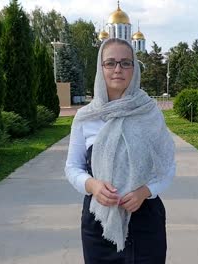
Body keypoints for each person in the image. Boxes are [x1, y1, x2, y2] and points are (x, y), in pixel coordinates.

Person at [65, 38, 176, 264]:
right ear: (100, 67)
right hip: (100, 221)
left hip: (146, 217)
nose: (118, 69)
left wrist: (145, 191)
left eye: (126, 63)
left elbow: (167, 167)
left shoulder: (150, 113)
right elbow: (72, 167)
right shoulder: (86, 117)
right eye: (110, 63)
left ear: (134, 69)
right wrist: (93, 185)